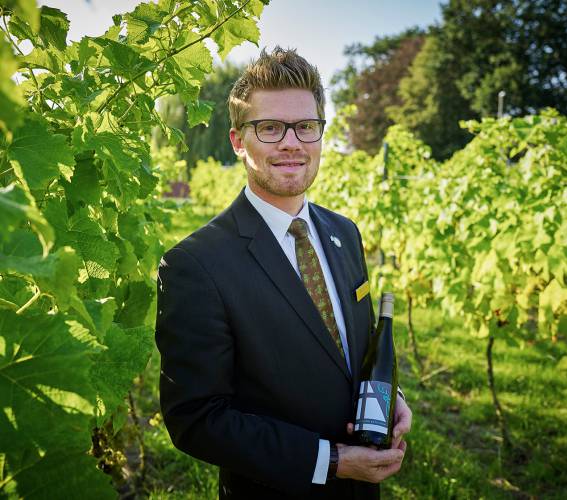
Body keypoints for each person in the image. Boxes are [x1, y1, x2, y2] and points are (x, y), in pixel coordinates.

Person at [155, 47, 412, 499]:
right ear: (238, 141)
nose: (291, 142)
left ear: (320, 134)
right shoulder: (195, 265)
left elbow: (353, 348)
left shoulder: (344, 232)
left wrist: (391, 401)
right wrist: (330, 462)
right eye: (270, 127)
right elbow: (196, 419)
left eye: (305, 127)